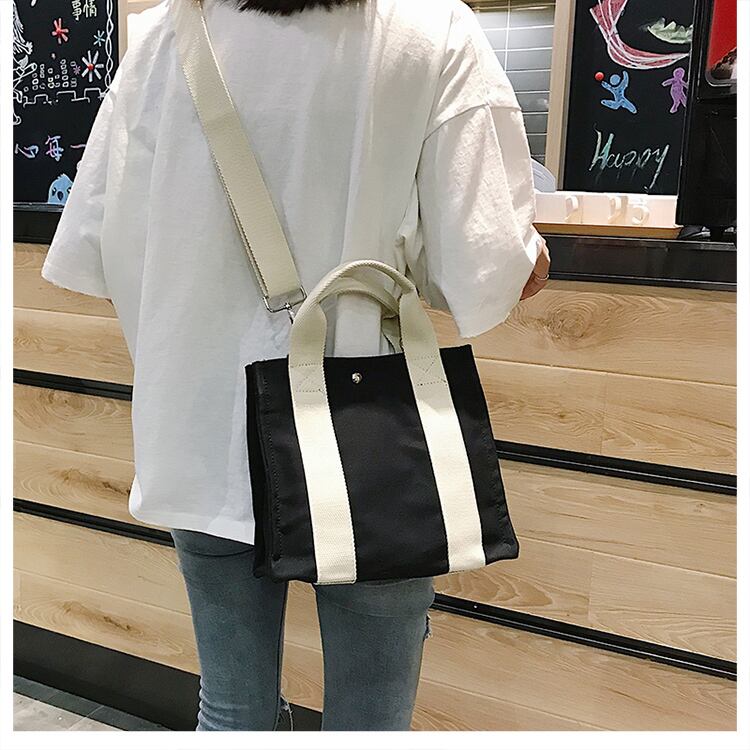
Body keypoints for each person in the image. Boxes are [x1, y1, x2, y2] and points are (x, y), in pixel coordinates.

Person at [40, 0, 551, 732]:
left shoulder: (159, 39)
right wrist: (528, 258)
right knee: (369, 726)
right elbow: (484, 264)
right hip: (368, 436)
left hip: (199, 426)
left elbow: (102, 251)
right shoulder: (433, 31)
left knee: (231, 713)